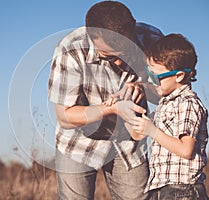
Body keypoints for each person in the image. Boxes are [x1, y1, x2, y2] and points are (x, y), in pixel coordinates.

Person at [48, 1, 163, 199]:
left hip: (129, 144)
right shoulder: (71, 49)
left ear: (133, 28)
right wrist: (112, 109)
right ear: (90, 37)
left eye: (126, 53)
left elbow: (165, 93)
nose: (119, 62)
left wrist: (144, 88)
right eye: (109, 57)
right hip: (77, 143)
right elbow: (65, 117)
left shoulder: (152, 40)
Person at [130, 34, 209, 199]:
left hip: (182, 190)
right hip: (162, 188)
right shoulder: (166, 103)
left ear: (179, 76)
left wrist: (152, 131)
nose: (151, 81)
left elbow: (185, 149)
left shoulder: (187, 104)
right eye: (148, 73)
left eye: (155, 77)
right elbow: (137, 134)